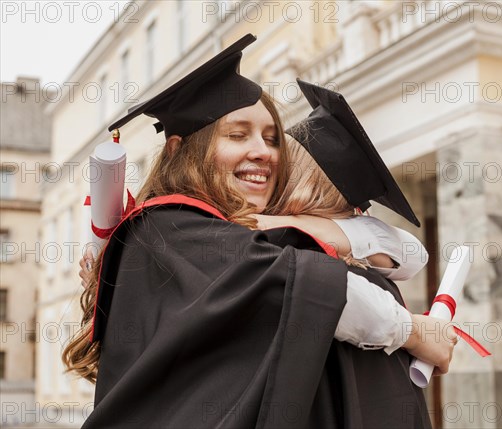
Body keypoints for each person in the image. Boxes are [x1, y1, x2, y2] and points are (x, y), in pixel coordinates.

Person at [65, 34, 456, 428]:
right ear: (179, 150)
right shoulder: (169, 227)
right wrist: (414, 331)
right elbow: (305, 287)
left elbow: (407, 254)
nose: (264, 151)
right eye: (237, 135)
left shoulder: (234, 231)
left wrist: (297, 223)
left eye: (271, 139)